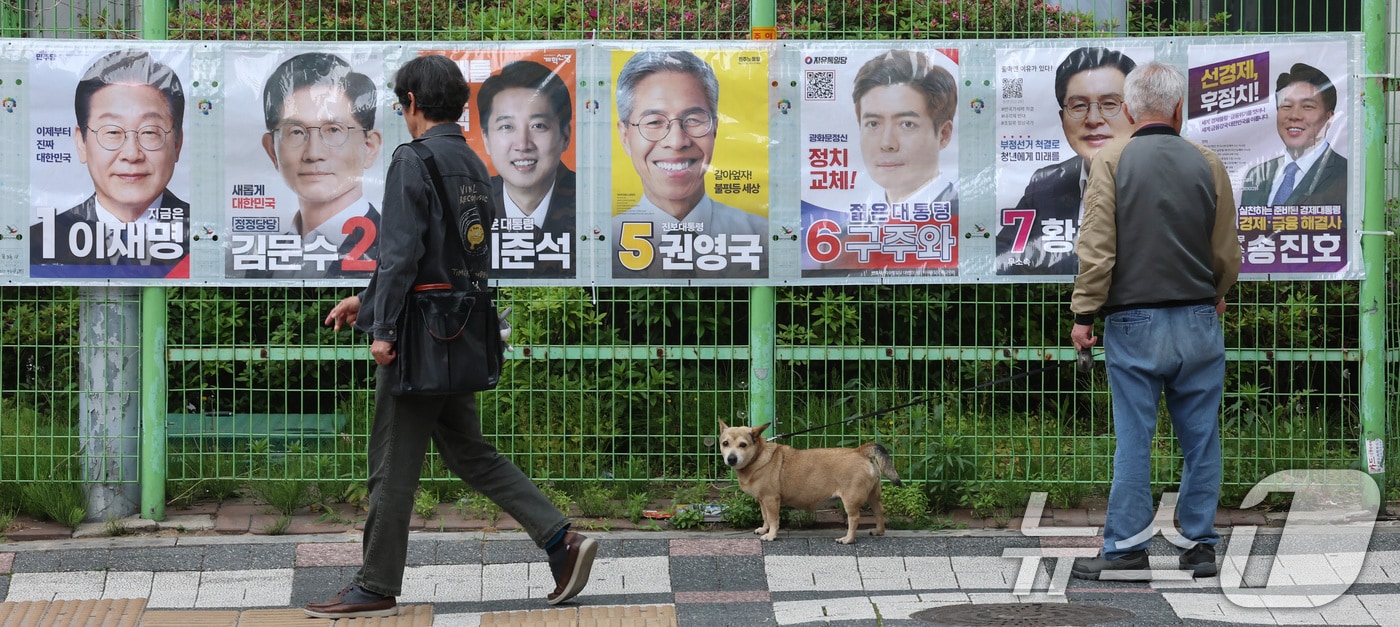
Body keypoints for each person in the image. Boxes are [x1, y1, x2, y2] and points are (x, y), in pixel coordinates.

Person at [310, 54, 596, 619]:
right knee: (469, 450)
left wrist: (384, 328)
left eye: (400, 105)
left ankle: (376, 584)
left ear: (412, 104)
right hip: (460, 330)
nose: (402, 114)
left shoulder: (411, 160)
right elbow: (446, 255)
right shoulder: (470, 161)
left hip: (418, 338)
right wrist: (366, 302)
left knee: (391, 464)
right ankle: (560, 540)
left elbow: (402, 255)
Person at [1068, 62, 1241, 581]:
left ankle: (1125, 549)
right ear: (1179, 110)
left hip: (1133, 323)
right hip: (1197, 318)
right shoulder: (1206, 161)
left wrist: (1083, 314)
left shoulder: (1112, 160)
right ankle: (1199, 546)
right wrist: (1216, 293)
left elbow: (1097, 249)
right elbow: (1226, 251)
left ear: (1126, 109)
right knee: (1201, 438)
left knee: (1134, 438)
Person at [30, 49, 188, 276]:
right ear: (82, 142)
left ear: (177, 143)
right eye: (112, 132)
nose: (132, 154)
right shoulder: (38, 244)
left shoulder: (207, 239)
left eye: (150, 132)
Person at [612, 50, 766, 278]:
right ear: (625, 136)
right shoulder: (604, 243)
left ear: (715, 128)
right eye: (654, 121)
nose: (676, 142)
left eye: (693, 120)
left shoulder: (761, 236)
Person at [803, 49, 958, 275]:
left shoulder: (963, 222)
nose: (887, 143)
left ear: (943, 135)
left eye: (906, 124)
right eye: (873, 124)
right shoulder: (840, 238)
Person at [996, 47, 1137, 275]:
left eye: (1110, 103)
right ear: (1062, 118)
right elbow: (1003, 257)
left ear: (1135, 113)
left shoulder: (1161, 177)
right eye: (1078, 105)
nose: (1093, 119)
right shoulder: (1046, 183)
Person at [245, 52, 383, 278]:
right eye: (296, 132)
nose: (314, 153)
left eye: (334, 130)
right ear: (272, 151)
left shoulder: (393, 246)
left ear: (369, 147)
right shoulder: (260, 260)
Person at [477, 60, 576, 278]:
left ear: (565, 136)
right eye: (506, 127)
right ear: (486, 139)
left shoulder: (591, 206)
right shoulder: (470, 206)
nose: (522, 144)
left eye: (538, 126)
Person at [1239, 62, 1347, 208]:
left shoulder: (1346, 175)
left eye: (1307, 106)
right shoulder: (1256, 175)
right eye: (1286, 106)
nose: (1294, 115)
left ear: (1329, 117)